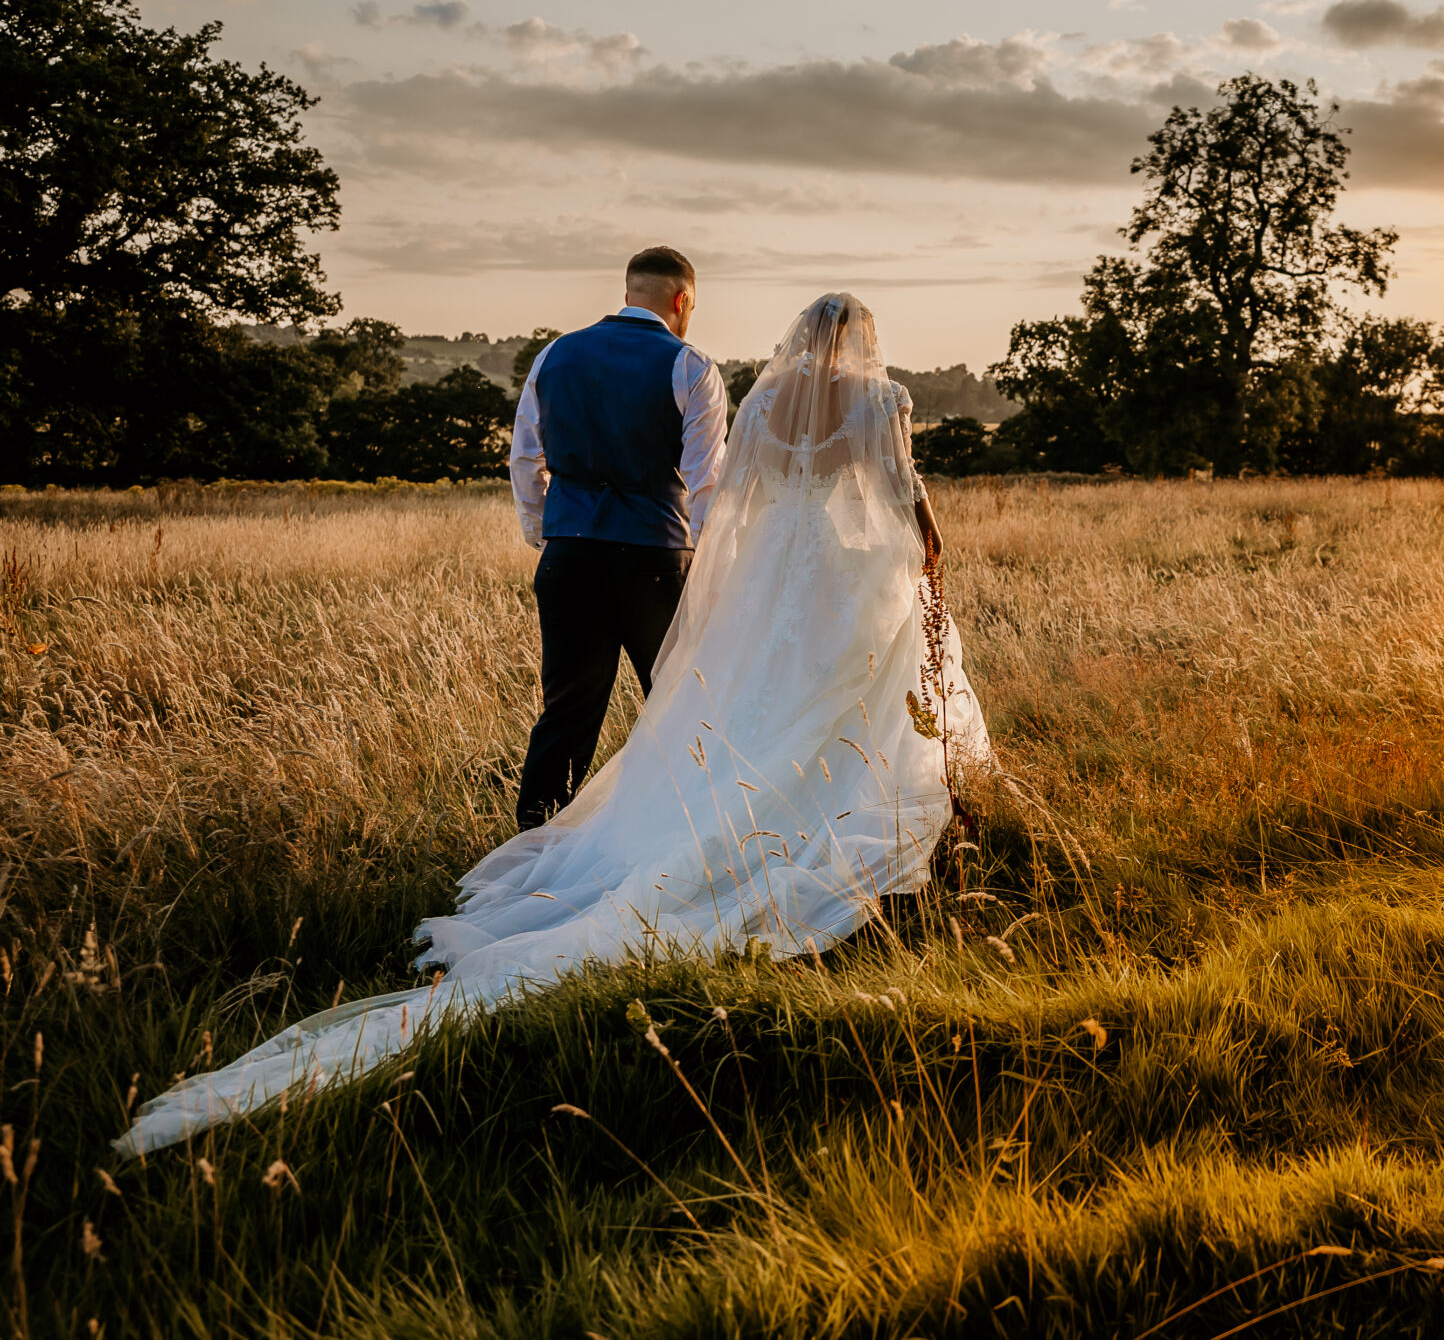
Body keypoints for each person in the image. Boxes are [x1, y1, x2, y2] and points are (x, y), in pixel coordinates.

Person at [114, 292, 981, 1157]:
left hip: (729, 576)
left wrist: (709, 582)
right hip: (824, 571)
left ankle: (628, 820)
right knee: (834, 702)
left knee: (679, 711)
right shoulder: (876, 398)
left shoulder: (755, 395)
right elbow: (899, 492)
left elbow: (729, 498)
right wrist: (925, 554)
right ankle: (816, 813)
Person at [509, 247, 731, 830]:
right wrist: (709, 563)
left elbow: (525, 458)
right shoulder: (691, 367)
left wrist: (546, 535)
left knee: (567, 710)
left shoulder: (555, 355)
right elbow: (708, 484)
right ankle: (685, 832)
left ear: (629, 290)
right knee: (679, 704)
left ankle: (533, 836)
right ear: (682, 300)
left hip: (570, 553)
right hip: (655, 559)